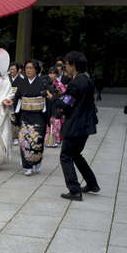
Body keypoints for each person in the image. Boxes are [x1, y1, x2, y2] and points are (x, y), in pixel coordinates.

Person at [47, 51, 99, 201]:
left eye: (66, 64)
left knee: (66, 155)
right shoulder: (87, 80)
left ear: (73, 65)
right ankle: (92, 183)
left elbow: (66, 105)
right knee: (76, 154)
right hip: (86, 124)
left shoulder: (76, 83)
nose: (65, 68)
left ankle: (75, 190)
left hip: (76, 124)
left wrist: (53, 98)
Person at [14, 59, 48, 176]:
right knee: (24, 140)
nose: (28, 70)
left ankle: (37, 162)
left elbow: (48, 98)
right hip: (25, 115)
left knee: (37, 140)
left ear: (36, 70)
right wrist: (11, 102)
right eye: (26, 68)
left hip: (38, 115)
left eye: (31, 68)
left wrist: (52, 115)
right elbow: (16, 97)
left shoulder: (42, 82)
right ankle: (27, 166)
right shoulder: (21, 83)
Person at [8, 62, 24, 145]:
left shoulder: (21, 80)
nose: (12, 71)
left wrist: (14, 99)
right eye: (10, 69)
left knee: (15, 119)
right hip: (7, 101)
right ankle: (9, 136)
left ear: (18, 70)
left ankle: (16, 137)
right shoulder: (7, 79)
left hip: (16, 102)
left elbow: (21, 93)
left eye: (14, 69)